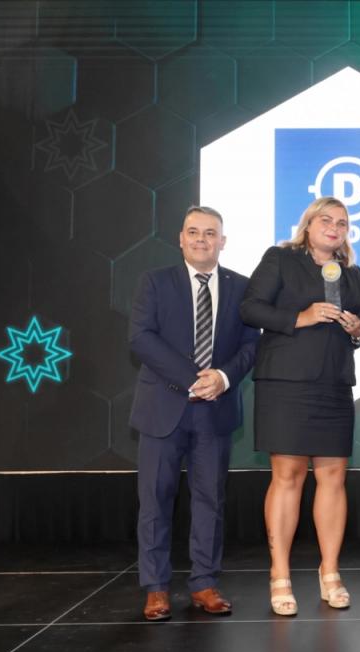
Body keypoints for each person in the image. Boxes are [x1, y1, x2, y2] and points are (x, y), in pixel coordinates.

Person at [129, 205, 259, 621]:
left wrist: (223, 377)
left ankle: (204, 583)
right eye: (193, 232)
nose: (201, 239)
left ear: (223, 241)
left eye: (210, 233)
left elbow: (252, 345)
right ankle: (156, 589)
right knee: (155, 501)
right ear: (180, 238)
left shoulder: (242, 287)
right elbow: (141, 338)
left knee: (210, 501)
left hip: (215, 409)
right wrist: (194, 379)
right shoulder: (155, 282)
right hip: (162, 409)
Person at [239, 197, 360, 615]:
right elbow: (250, 308)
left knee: (333, 478)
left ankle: (330, 572)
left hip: (333, 385)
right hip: (286, 384)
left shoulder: (353, 273)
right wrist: (302, 316)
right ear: (308, 224)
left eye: (342, 223)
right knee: (288, 476)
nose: (334, 227)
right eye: (326, 220)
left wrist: (358, 328)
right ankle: (279, 574)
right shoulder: (280, 258)